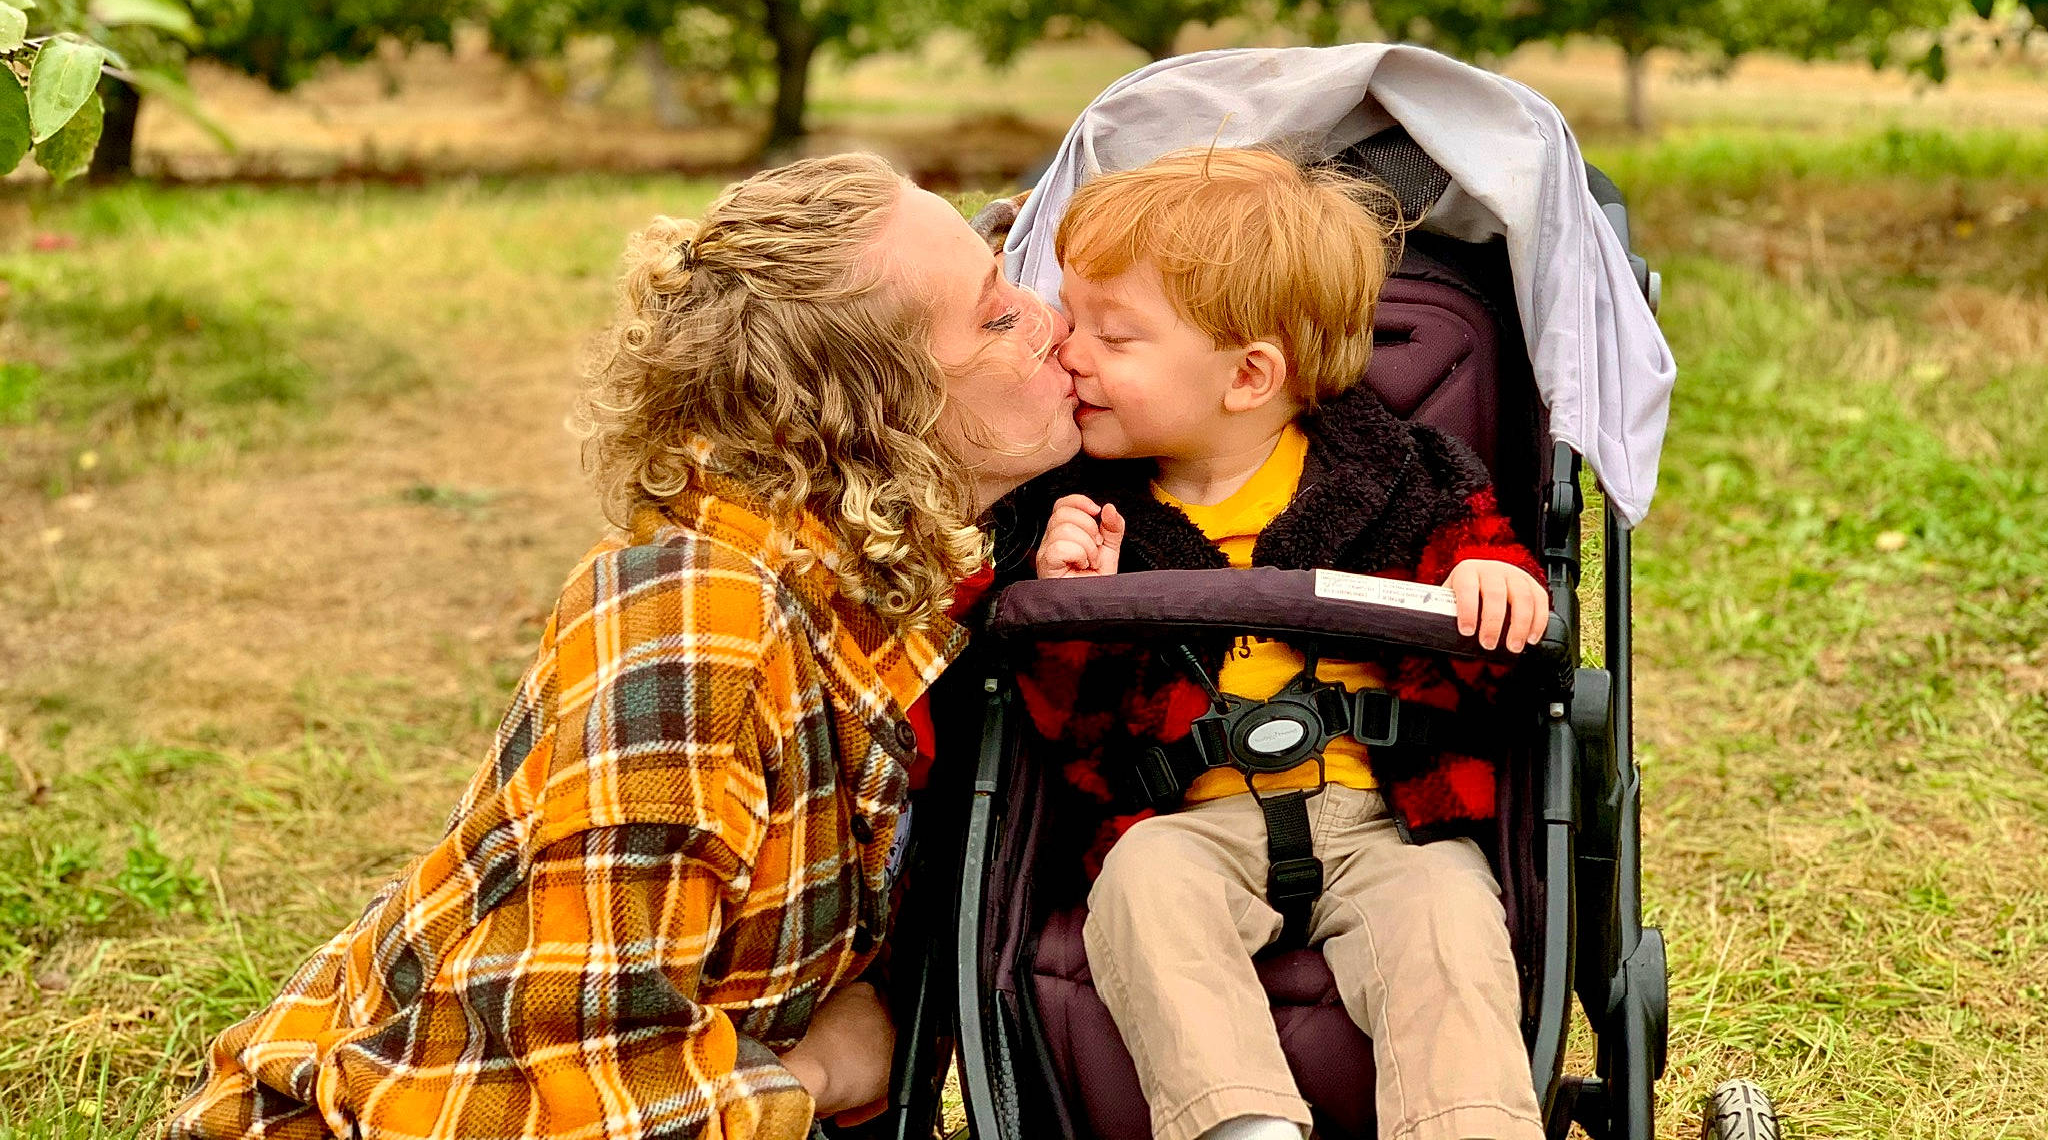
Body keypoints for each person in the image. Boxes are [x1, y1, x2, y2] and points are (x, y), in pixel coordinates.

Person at [169, 153, 1080, 1140]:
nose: (1050, 319)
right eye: (997, 315)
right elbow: (569, 1085)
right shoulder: (702, 622)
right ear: (877, 419)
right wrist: (816, 1074)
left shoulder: (889, 594)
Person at [1018, 147, 1548, 1140]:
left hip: (1384, 818)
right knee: (1139, 887)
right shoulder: (1086, 512)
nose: (1068, 353)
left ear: (1248, 374)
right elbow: (1066, 732)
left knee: (1445, 915)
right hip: (1185, 818)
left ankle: (1466, 1123)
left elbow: (1496, 663)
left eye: (1113, 336)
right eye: (1069, 318)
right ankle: (1238, 1123)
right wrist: (1069, 607)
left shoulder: (1403, 479)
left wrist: (1491, 582)